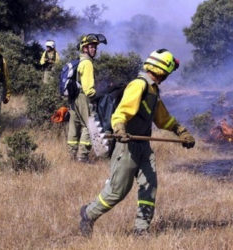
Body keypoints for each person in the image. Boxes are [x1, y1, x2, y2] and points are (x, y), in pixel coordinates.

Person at [79, 49, 196, 236]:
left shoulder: (153, 89)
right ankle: (88, 213)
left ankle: (141, 229)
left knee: (149, 186)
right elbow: (122, 112)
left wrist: (181, 132)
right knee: (118, 191)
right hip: (127, 146)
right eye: (167, 71)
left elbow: (163, 118)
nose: (167, 76)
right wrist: (120, 129)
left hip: (143, 147)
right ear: (160, 69)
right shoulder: (138, 85)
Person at [67, 34, 102, 162]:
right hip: (83, 97)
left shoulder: (79, 61)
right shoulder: (87, 63)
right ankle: (82, 157)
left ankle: (72, 155)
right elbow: (88, 90)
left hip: (74, 97)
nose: (95, 50)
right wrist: (96, 96)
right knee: (90, 125)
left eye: (95, 47)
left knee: (74, 125)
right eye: (91, 47)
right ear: (84, 48)